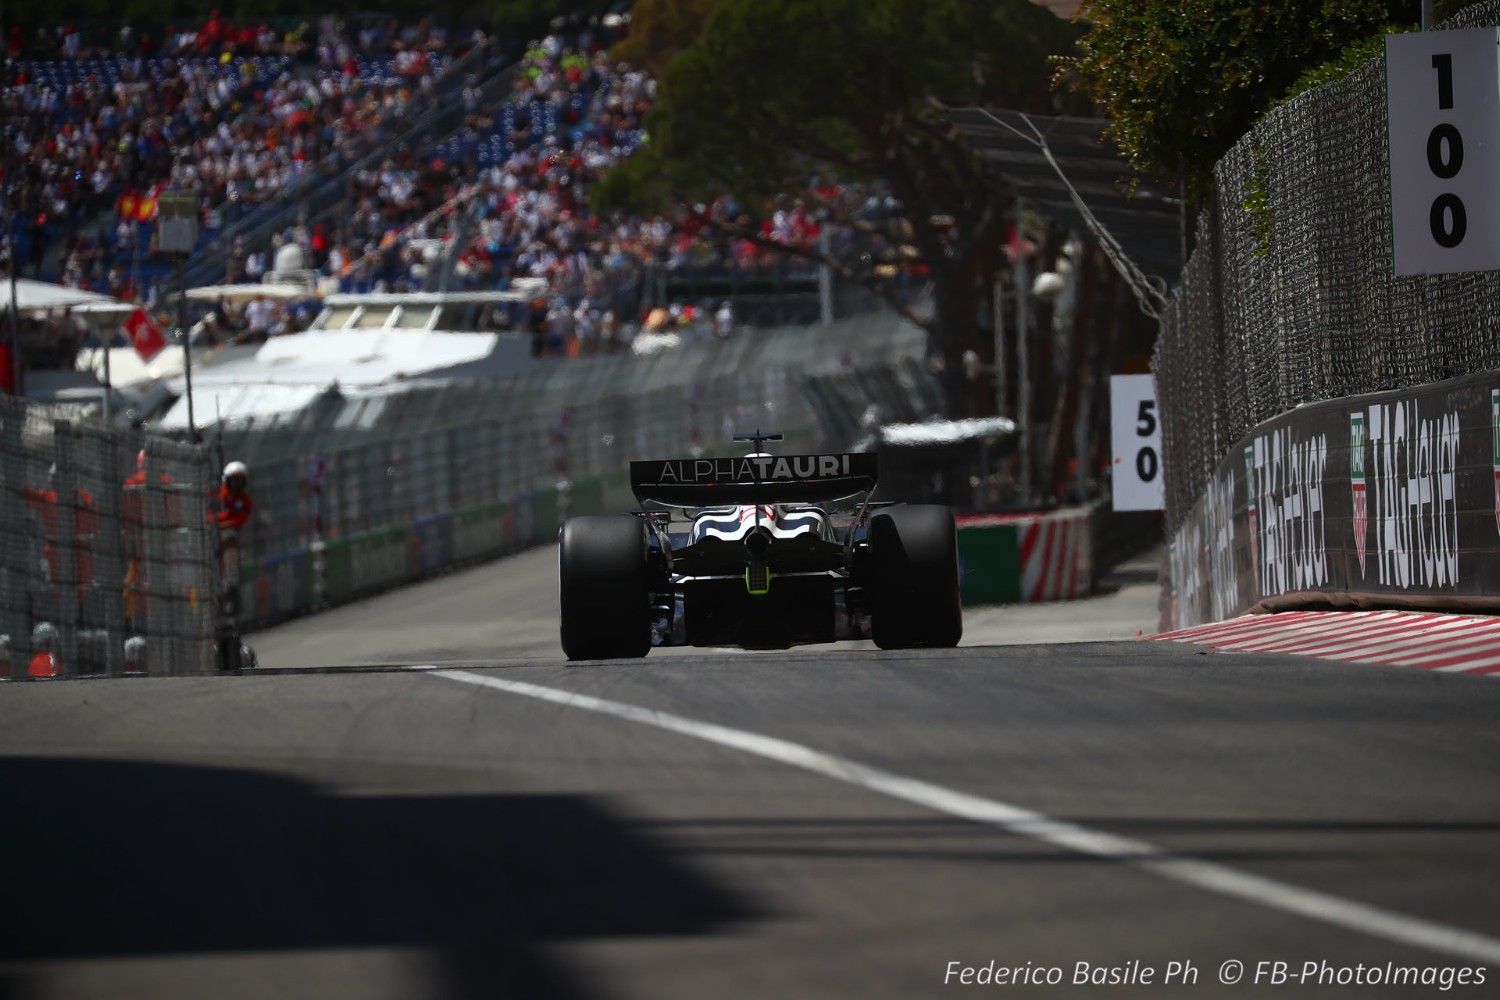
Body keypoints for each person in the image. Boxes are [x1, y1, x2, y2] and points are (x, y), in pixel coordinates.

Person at [215, 461, 254, 532]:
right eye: (234, 479)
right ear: (227, 480)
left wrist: (221, 525)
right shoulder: (217, 493)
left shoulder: (244, 500)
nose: (237, 483)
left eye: (240, 479)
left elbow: (239, 520)